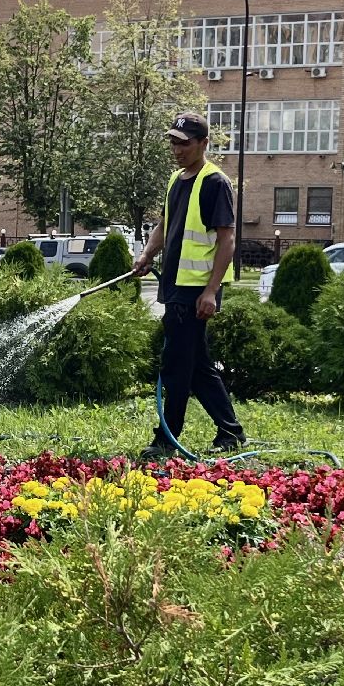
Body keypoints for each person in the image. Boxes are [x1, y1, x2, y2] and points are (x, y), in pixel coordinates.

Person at [131, 112, 247, 460]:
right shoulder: (176, 179)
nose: (177, 149)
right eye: (173, 142)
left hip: (196, 291)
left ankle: (167, 439)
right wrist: (147, 254)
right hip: (176, 285)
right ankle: (231, 431)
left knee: (177, 365)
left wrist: (211, 291)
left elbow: (227, 241)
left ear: (203, 143)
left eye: (184, 143)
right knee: (196, 365)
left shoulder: (215, 183)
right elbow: (165, 224)